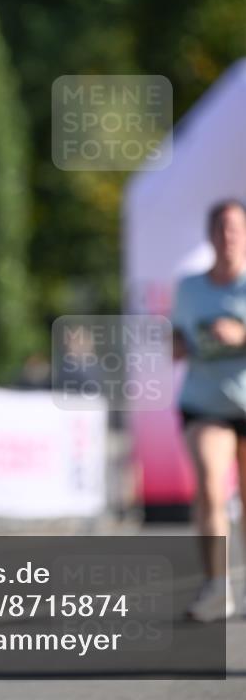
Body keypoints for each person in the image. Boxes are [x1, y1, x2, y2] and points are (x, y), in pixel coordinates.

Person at [171, 199, 246, 622]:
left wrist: (240, 335)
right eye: (220, 229)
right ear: (210, 236)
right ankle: (217, 587)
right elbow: (177, 338)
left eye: (235, 228)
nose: (227, 237)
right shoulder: (189, 287)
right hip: (205, 405)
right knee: (212, 488)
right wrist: (176, 345)